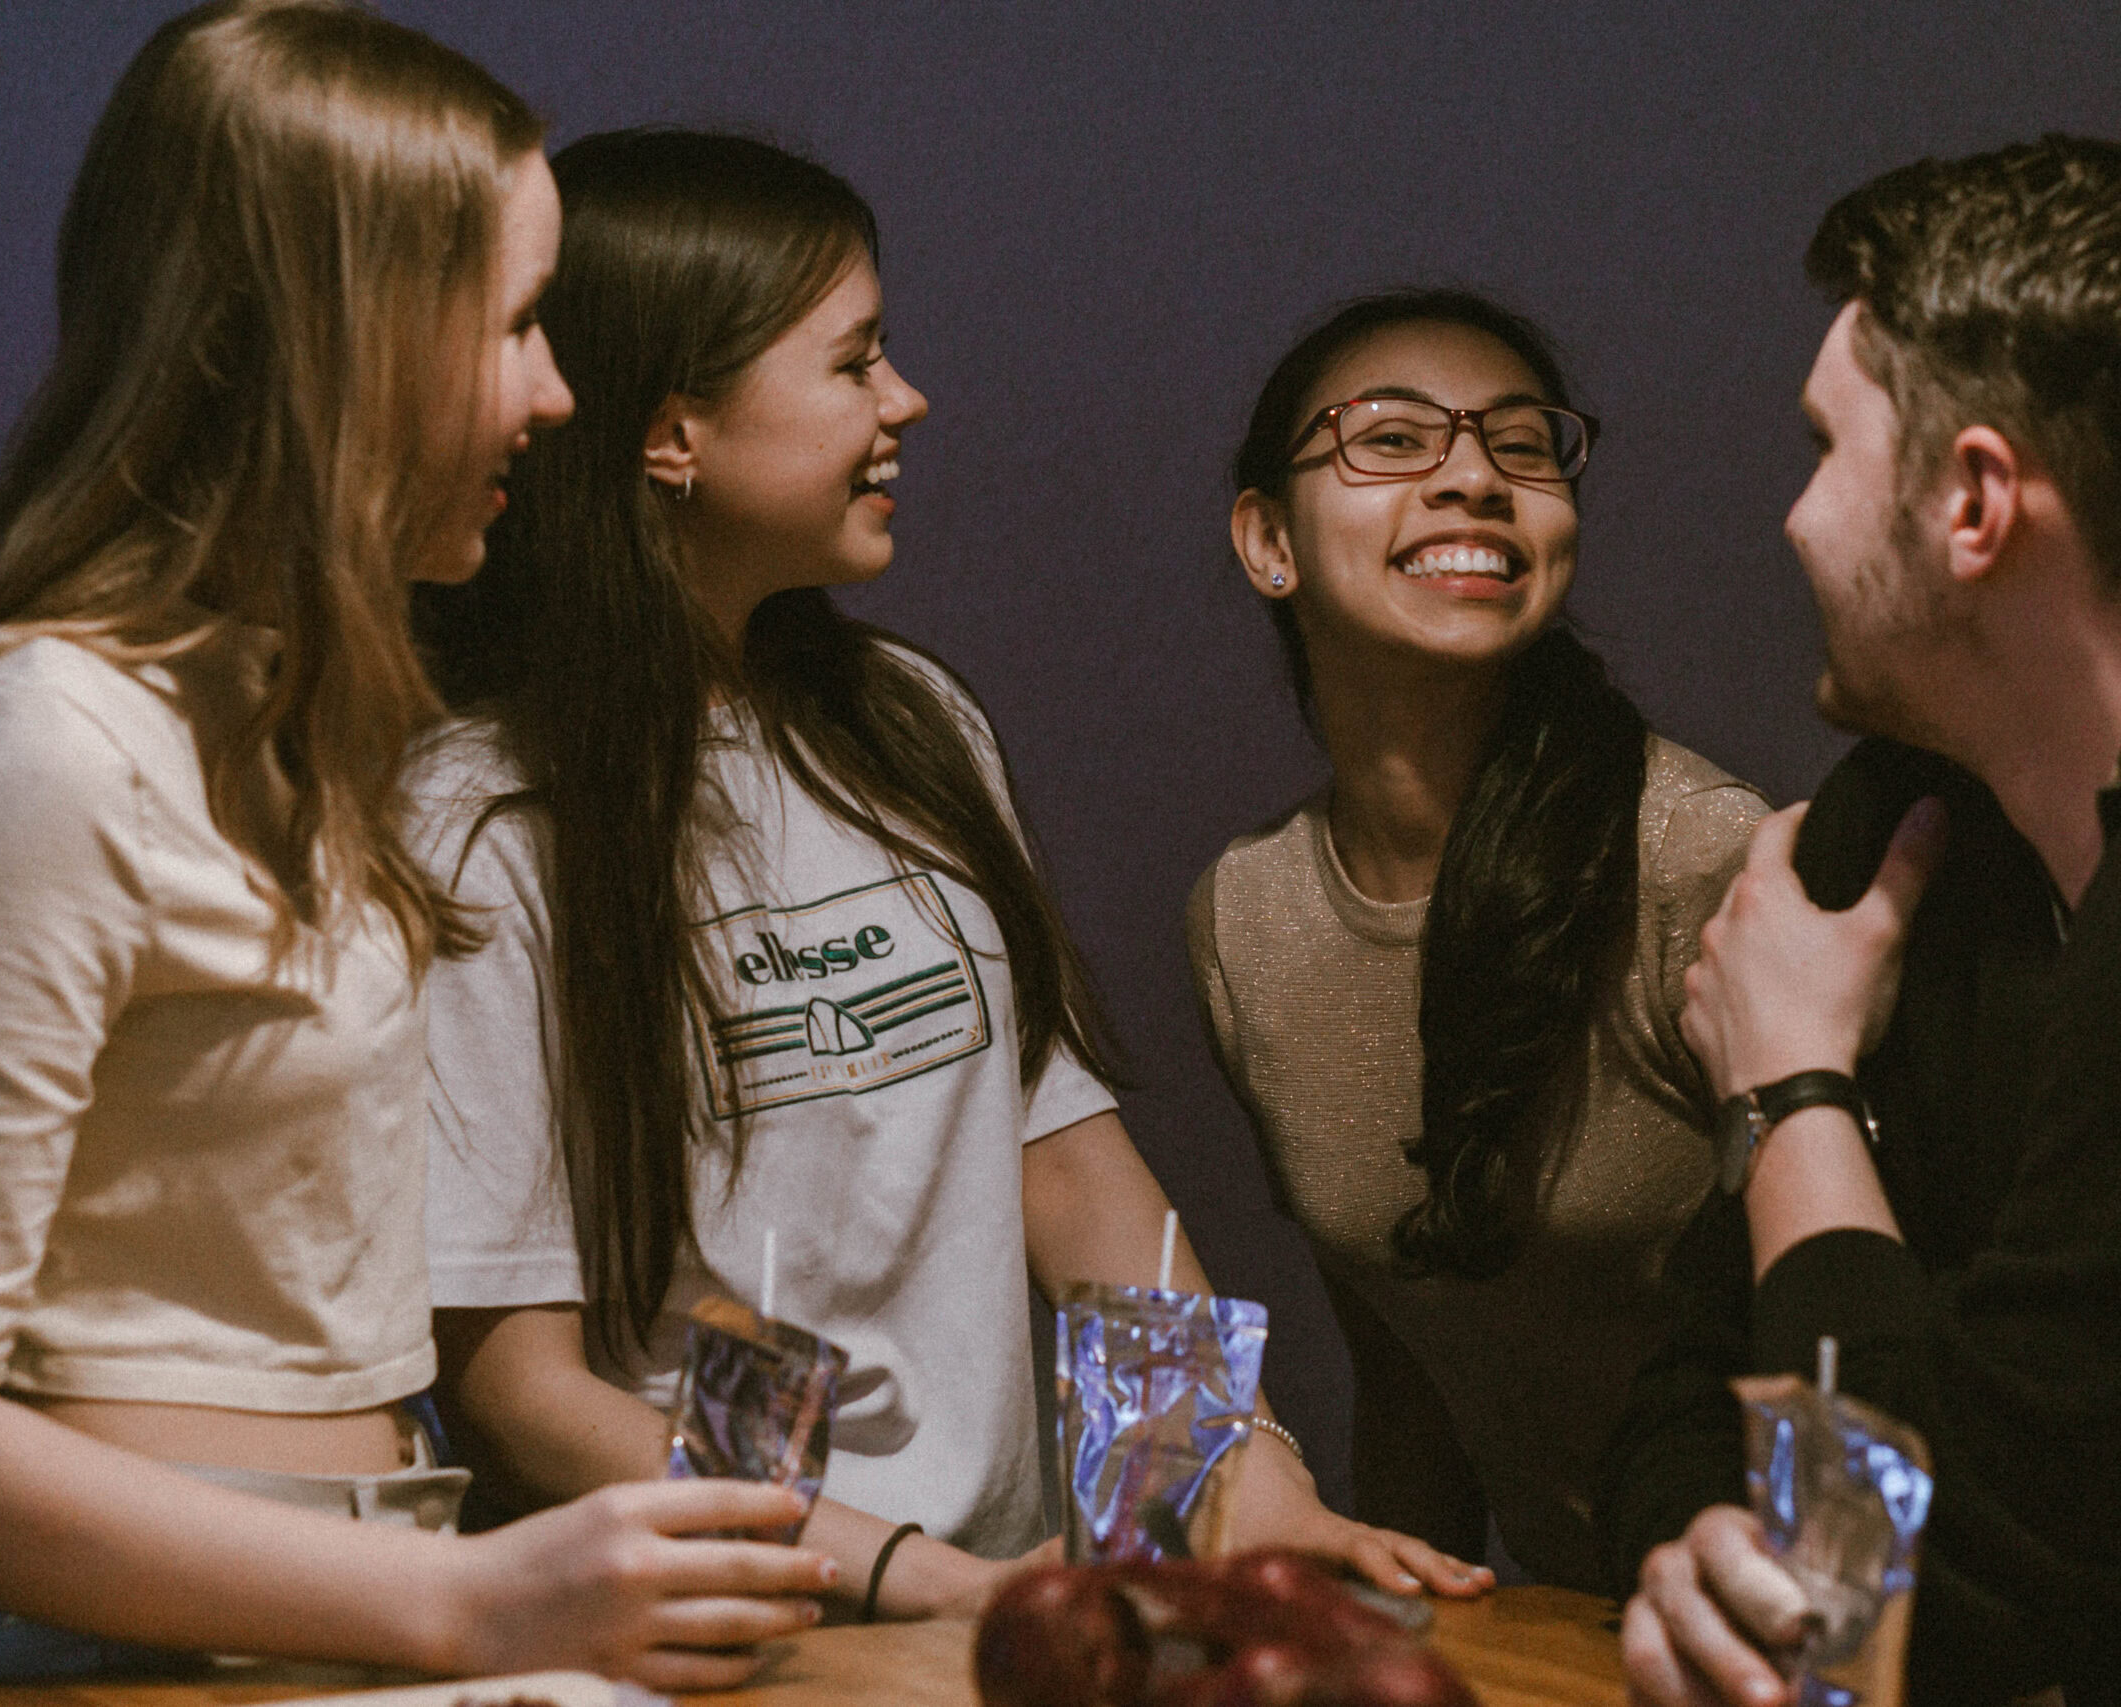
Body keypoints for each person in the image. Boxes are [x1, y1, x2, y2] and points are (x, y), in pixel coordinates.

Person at [0, 4, 841, 1687]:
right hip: (93, 1657)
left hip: (327, 1622)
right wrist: (472, 1604)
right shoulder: (41, 744)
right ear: (339, 333)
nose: (556, 397)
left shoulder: (286, 728)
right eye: (520, 325)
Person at [405, 129, 1481, 1624]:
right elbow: (517, 1385)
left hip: (999, 1602)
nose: (906, 400)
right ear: (673, 435)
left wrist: (1235, 1482)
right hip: (729, 1630)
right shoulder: (483, 819)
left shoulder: (911, 723)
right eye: (852, 364)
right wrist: (909, 1582)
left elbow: (1067, 1169)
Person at [1617, 133, 2121, 1707]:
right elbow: (1688, 1399)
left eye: (1825, 447)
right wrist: (1708, 1564)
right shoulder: (1909, 843)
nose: (1793, 519)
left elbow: (1944, 1593)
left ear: (1975, 499)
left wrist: (1792, 1088)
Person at [1187, 290, 1767, 1590]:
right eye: (1392, 440)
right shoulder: (1248, 918)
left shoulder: (1699, 860)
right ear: (1267, 539)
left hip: (1794, 1628)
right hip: (1572, 1641)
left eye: (1522, 444)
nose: (1473, 479)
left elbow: (1864, 1347)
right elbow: (1413, 1363)